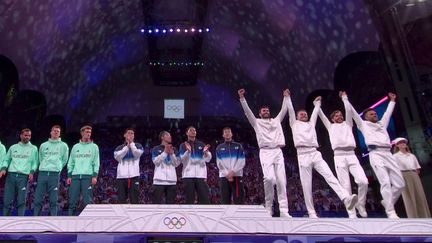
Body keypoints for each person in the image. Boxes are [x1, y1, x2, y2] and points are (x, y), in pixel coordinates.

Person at [287, 94, 358, 218]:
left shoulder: (311, 123)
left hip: (315, 153)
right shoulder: (294, 124)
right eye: (301, 114)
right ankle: (311, 212)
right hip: (302, 154)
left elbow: (315, 113)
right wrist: (287, 98)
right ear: (296, 117)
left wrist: (317, 103)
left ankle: (346, 198)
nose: (304, 115)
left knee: (329, 175)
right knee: (306, 185)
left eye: (305, 114)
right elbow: (291, 111)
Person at [347, 92, 404, 219]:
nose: (375, 115)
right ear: (366, 117)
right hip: (376, 154)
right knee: (385, 182)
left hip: (388, 153)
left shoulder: (382, 123)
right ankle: (391, 212)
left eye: (375, 113)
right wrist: (345, 99)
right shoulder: (363, 125)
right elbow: (354, 113)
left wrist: (392, 101)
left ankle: (388, 202)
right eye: (371, 114)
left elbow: (388, 113)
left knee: (400, 184)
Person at [238, 88, 292, 217]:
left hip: (278, 151)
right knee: (269, 178)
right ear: (260, 113)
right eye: (263, 111)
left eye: (267, 110)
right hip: (265, 152)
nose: (266, 112)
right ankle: (269, 206)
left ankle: (284, 210)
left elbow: (284, 111)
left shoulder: (276, 121)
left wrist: (286, 97)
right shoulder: (257, 122)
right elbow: (247, 112)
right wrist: (242, 98)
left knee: (281, 181)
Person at [317, 92, 369, 218]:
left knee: (363, 181)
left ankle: (360, 203)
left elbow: (348, 110)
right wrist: (317, 104)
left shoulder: (348, 124)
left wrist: (345, 98)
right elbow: (321, 115)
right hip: (339, 156)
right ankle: (352, 214)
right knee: (346, 187)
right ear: (332, 119)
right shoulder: (330, 126)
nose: (340, 116)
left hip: (352, 155)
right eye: (337, 116)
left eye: (341, 115)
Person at [0, 128, 38, 216]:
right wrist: (3, 168)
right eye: (25, 135)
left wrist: (32, 172)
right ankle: (5, 221)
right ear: (21, 136)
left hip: (24, 177)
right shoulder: (13, 147)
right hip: (11, 176)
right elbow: (6, 159)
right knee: (7, 200)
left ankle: (20, 221)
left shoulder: (33, 148)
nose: (27, 137)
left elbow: (35, 162)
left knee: (21, 201)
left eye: (29, 136)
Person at [34, 125, 69, 216]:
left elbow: (64, 160)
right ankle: (35, 219)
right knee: (38, 199)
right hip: (43, 173)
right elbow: (40, 158)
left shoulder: (64, 146)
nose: (56, 132)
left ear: (60, 133)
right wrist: (44, 166)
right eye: (54, 131)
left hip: (54, 174)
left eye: (58, 131)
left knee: (53, 199)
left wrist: (58, 167)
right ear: (51, 132)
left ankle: (54, 219)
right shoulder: (43, 145)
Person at [392, 137, 430, 218]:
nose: (403, 144)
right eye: (400, 143)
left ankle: (424, 215)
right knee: (408, 196)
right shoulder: (395, 156)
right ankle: (413, 216)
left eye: (404, 142)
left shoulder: (412, 156)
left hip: (414, 175)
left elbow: (417, 168)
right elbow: (395, 169)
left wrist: (415, 175)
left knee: (419, 195)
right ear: (397, 145)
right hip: (403, 175)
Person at [67, 125, 100, 216]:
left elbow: (96, 163)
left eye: (90, 132)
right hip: (75, 177)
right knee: (72, 200)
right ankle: (70, 221)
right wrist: (69, 175)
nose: (88, 134)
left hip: (88, 176)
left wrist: (95, 176)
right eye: (86, 132)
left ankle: (89, 222)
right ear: (82, 133)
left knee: (88, 201)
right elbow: (71, 162)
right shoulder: (75, 147)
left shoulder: (94, 147)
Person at [179, 126, 211, 204]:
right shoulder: (183, 145)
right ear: (187, 133)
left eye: (195, 130)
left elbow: (208, 159)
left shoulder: (201, 144)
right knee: (189, 199)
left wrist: (207, 153)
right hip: (188, 175)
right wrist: (188, 152)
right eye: (191, 130)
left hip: (201, 175)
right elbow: (182, 160)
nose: (193, 131)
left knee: (204, 198)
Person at [216, 127, 246, 204]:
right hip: (224, 177)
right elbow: (219, 163)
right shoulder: (219, 148)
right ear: (223, 135)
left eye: (229, 132)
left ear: (232, 134)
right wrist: (227, 174)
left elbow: (242, 161)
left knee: (239, 199)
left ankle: (239, 216)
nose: (227, 133)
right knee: (225, 200)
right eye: (225, 132)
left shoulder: (239, 146)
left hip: (237, 176)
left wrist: (233, 172)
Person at [114, 128, 144, 204]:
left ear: (134, 136)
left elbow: (137, 154)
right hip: (121, 177)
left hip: (134, 176)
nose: (130, 135)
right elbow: (117, 157)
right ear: (124, 135)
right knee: (121, 200)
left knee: (134, 200)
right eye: (129, 133)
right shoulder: (119, 148)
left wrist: (132, 145)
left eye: (132, 133)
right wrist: (127, 147)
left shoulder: (138, 146)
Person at [151, 131, 180, 204]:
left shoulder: (174, 149)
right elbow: (156, 162)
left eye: (170, 135)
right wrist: (165, 153)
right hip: (159, 181)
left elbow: (176, 164)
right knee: (156, 204)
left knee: (171, 205)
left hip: (172, 181)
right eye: (167, 135)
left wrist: (172, 154)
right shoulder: (156, 149)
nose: (170, 136)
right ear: (162, 137)